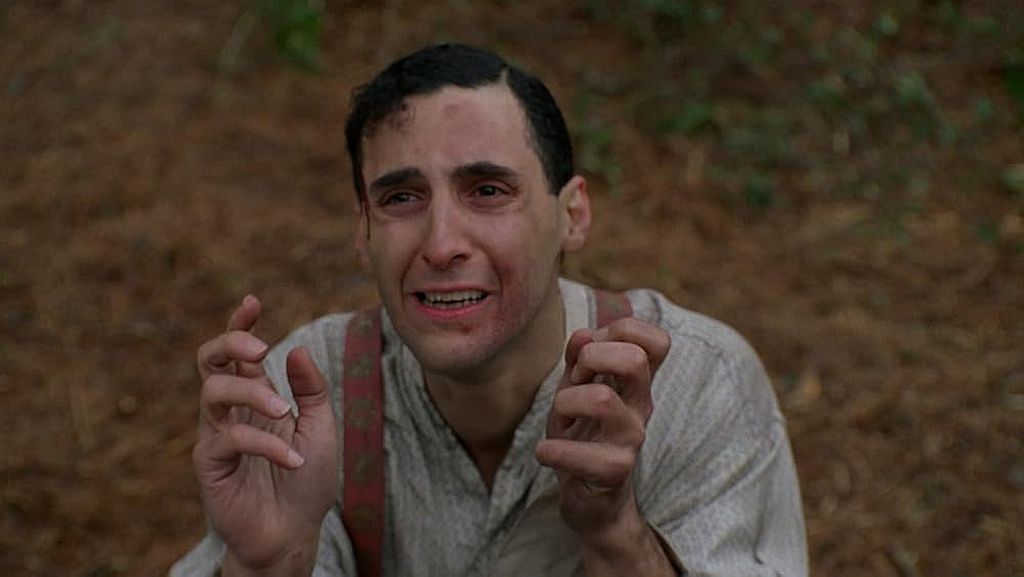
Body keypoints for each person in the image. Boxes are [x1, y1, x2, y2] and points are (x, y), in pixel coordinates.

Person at [171, 43, 807, 577]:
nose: (442, 244)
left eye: (488, 190)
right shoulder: (304, 398)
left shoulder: (698, 384)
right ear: (363, 232)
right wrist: (266, 564)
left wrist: (616, 534)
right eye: (401, 198)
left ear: (572, 215)